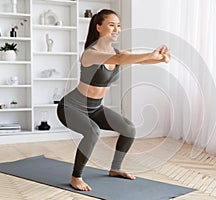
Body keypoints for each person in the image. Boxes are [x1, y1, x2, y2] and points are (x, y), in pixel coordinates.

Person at [56, 9, 171, 191]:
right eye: (111, 25)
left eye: (118, 25)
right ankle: (76, 177)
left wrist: (160, 58)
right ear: (99, 27)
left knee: (129, 128)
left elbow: (137, 61)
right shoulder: (90, 53)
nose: (116, 29)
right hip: (71, 107)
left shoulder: (116, 52)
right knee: (92, 132)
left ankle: (115, 168)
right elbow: (121, 58)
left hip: (95, 108)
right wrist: (151, 54)